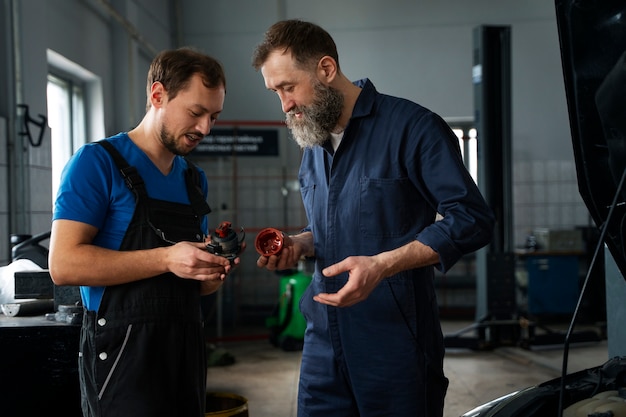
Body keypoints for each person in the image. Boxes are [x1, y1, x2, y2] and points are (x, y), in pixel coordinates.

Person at [252, 20, 495, 417]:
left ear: (326, 70)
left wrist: (382, 265)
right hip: (323, 341)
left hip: (395, 340)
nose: (285, 105)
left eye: (289, 87)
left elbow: (472, 218)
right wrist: (300, 243)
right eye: (275, 92)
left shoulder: (413, 128)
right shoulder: (312, 142)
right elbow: (333, 225)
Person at [48, 47, 239, 417]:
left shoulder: (193, 179)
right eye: (196, 113)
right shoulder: (96, 163)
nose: (205, 129)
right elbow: (64, 264)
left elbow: (191, 281)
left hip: (184, 351)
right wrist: (167, 258)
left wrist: (211, 272)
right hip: (121, 356)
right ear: (157, 95)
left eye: (213, 117)